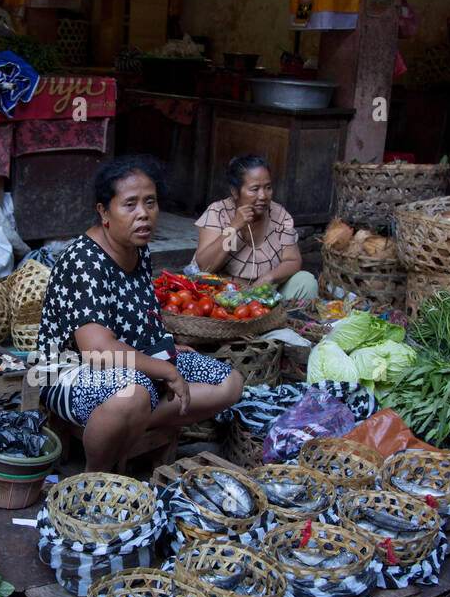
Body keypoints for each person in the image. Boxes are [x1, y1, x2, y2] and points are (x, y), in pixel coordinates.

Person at [36, 155, 244, 472]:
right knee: (133, 393)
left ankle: (125, 426)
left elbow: (137, 314)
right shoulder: (85, 261)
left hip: (132, 357)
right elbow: (97, 350)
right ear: (104, 211)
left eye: (150, 203)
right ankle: (95, 476)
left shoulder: (137, 248)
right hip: (66, 369)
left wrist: (165, 345)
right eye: (129, 204)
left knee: (229, 383)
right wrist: (164, 369)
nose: (143, 214)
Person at [188, 154, 318, 302]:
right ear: (235, 191)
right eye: (254, 189)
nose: (263, 196)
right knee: (201, 280)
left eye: (268, 187)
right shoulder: (219, 212)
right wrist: (234, 227)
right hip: (223, 292)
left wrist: (269, 278)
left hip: (265, 292)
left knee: (306, 282)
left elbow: (293, 260)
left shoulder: (280, 215)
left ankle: (277, 319)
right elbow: (205, 266)